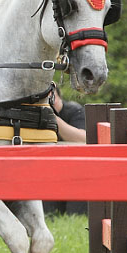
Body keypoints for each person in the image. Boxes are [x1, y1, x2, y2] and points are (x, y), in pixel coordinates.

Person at [42, 87, 88, 215]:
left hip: (76, 173)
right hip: (48, 175)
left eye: (52, 97)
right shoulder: (36, 117)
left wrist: (52, 117)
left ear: (59, 96)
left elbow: (83, 139)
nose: (50, 102)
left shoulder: (74, 110)